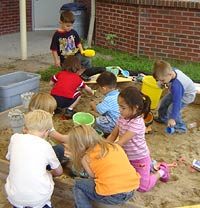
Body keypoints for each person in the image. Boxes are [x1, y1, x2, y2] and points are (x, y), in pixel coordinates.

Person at [107, 86, 170, 192]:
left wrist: (105, 150)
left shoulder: (137, 123)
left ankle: (162, 171)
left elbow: (120, 142)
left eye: (123, 108)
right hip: (126, 157)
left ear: (135, 107)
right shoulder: (122, 117)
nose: (119, 110)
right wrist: (103, 144)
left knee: (142, 188)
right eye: (119, 106)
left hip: (139, 158)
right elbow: (113, 135)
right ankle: (150, 165)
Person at [67, 124, 140, 208]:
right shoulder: (114, 146)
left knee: (78, 185)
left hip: (113, 195)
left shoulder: (85, 157)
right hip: (131, 189)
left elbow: (93, 176)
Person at [5, 110, 63, 208]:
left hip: (15, 196)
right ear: (46, 133)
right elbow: (59, 172)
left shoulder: (15, 138)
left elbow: (9, 158)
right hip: (38, 199)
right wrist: (49, 173)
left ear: (25, 129)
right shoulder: (46, 146)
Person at [50, 10, 105, 81]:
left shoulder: (73, 32)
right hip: (66, 59)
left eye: (71, 25)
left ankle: (84, 73)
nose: (70, 28)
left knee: (87, 60)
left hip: (76, 55)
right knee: (70, 70)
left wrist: (82, 51)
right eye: (67, 26)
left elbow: (78, 43)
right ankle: (74, 77)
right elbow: (54, 49)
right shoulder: (57, 35)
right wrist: (56, 60)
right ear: (60, 22)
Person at [152, 60, 196, 133]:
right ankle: (162, 118)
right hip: (178, 91)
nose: (161, 82)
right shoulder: (170, 71)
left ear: (170, 74)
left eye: (162, 80)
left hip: (186, 96)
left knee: (171, 109)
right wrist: (161, 83)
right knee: (164, 101)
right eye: (159, 80)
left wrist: (172, 118)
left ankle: (181, 127)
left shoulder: (177, 86)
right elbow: (163, 79)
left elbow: (177, 103)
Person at [28, 92, 68, 167]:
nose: (53, 113)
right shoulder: (45, 126)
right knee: (60, 149)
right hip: (39, 158)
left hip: (33, 153)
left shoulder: (29, 120)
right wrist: (76, 138)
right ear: (43, 112)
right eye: (51, 111)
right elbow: (61, 138)